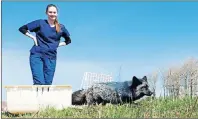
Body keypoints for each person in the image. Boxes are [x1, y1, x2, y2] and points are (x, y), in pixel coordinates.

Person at [19, 4, 71, 85]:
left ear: (57, 14)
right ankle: (37, 97)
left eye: (54, 12)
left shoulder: (61, 27)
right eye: (50, 12)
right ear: (46, 13)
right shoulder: (40, 23)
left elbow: (68, 40)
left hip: (51, 57)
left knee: (47, 84)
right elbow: (22, 28)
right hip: (37, 55)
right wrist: (33, 38)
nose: (52, 14)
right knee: (39, 83)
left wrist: (57, 45)